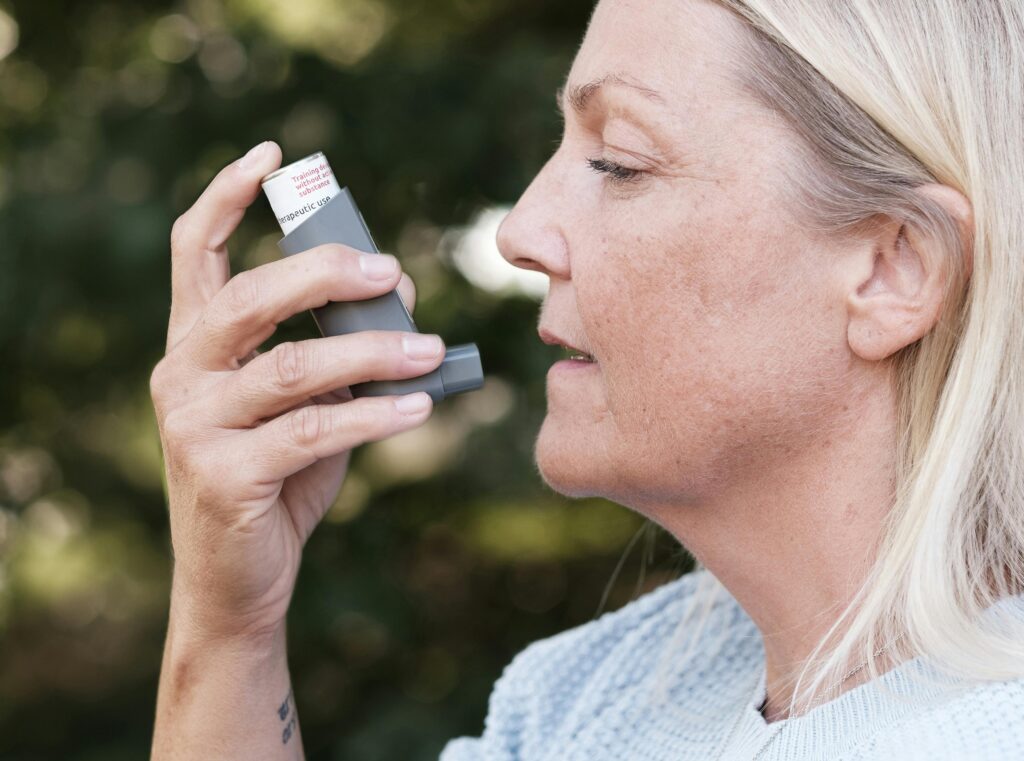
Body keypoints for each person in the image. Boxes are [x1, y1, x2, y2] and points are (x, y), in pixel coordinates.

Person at [148, 0, 1024, 758]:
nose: (520, 230)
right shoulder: (575, 701)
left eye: (620, 162)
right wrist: (230, 629)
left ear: (892, 269)